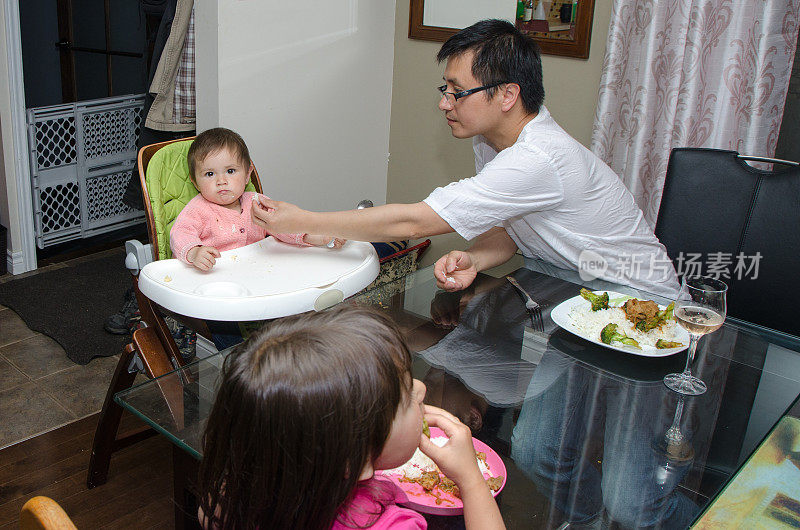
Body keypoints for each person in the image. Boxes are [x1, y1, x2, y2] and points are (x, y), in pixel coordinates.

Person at [249, 19, 679, 299]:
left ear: (508, 95)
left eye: (459, 91)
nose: (445, 103)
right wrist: (478, 257)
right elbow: (513, 225)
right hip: (567, 284)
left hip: (637, 296)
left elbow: (414, 223)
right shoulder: (491, 139)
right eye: (445, 89)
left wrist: (302, 220)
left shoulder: (538, 158)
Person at [197, 306, 506, 530]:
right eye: (404, 396)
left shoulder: (235, 493)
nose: (422, 389)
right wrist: (471, 482)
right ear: (353, 460)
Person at [170, 127, 343, 271]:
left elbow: (282, 226)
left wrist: (312, 237)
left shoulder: (257, 203)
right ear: (195, 182)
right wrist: (194, 252)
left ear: (247, 175)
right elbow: (180, 234)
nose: (221, 181)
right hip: (215, 275)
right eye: (209, 174)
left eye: (230, 171)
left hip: (256, 271)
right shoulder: (197, 209)